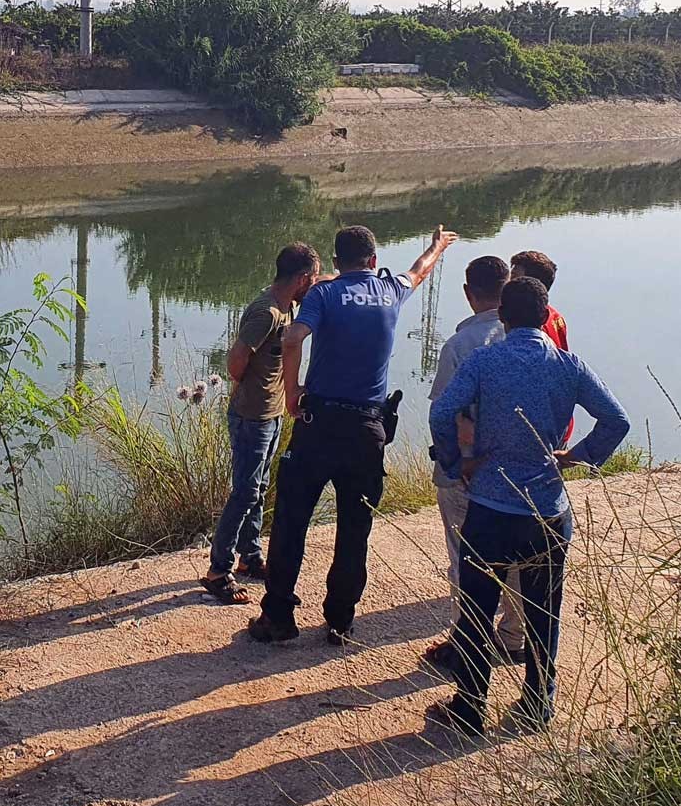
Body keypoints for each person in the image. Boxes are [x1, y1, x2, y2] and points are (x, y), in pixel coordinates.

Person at [427, 276, 630, 737]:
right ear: (546, 316)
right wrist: (578, 457)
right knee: (543, 610)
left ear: (502, 315)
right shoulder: (568, 365)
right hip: (546, 509)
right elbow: (617, 419)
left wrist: (457, 461)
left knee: (479, 608)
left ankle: (471, 705)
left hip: (491, 506)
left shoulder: (483, 361)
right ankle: (538, 703)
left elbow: (442, 413)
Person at [248, 223, 458, 645]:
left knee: (291, 521)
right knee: (354, 527)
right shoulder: (390, 289)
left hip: (319, 424)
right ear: (374, 261)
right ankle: (340, 620)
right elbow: (419, 270)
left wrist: (293, 394)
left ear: (337, 261)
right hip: (367, 429)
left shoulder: (324, 294)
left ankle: (278, 618)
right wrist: (437, 245)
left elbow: (292, 338)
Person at [202, 242, 322, 604]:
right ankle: (217, 570)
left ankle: (250, 557)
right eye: (312, 279)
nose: (315, 285)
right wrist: (251, 388)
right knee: (245, 492)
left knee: (259, 486)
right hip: (251, 416)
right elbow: (235, 362)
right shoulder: (267, 312)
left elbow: (327, 280)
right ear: (301, 278)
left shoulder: (290, 305)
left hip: (269, 414)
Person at [418, 254, 515, 675]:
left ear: (467, 293)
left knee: (465, 556)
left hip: (470, 470)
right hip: (518, 468)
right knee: (516, 556)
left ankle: (466, 640)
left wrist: (453, 464)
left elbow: (443, 412)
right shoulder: (529, 335)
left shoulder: (461, 346)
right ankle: (514, 637)